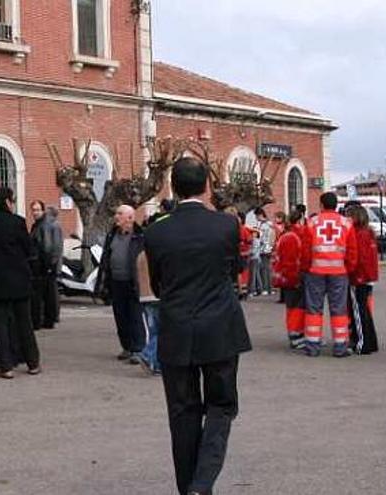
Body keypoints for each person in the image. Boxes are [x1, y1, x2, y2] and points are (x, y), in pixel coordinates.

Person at [144, 157, 251, 495]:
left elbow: (159, 284)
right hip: (220, 326)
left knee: (182, 413)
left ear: (172, 187)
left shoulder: (157, 230)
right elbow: (232, 271)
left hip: (177, 328)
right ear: (207, 187)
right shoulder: (226, 225)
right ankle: (202, 483)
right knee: (221, 406)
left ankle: (188, 486)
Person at [0, 187, 41, 379]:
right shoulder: (18, 222)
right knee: (24, 323)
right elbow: (29, 249)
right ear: (7, 202)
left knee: (0, 325)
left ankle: (6, 367)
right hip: (19, 279)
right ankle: (32, 363)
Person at [300, 192, 358, 358]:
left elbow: (305, 251)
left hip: (315, 272)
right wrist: (349, 268)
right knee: (339, 309)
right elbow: (353, 251)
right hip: (339, 272)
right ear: (337, 204)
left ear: (321, 205)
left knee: (313, 309)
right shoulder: (346, 223)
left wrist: (305, 268)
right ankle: (340, 346)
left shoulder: (312, 223)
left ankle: (312, 345)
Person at [97, 204, 146, 364]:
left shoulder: (140, 236)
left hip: (133, 283)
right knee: (120, 316)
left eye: (119, 214)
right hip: (116, 282)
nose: (116, 217)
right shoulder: (112, 235)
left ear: (130, 218)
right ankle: (126, 346)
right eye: (116, 213)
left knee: (135, 317)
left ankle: (138, 349)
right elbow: (106, 257)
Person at [346, 205, 380, 354]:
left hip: (358, 277)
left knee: (357, 311)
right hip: (368, 276)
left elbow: (357, 257)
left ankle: (361, 343)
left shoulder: (357, 234)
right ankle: (370, 341)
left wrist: (350, 272)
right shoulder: (369, 232)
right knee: (364, 310)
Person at [272, 210, 307, 349]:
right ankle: (295, 336)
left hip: (289, 277)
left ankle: (298, 334)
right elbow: (291, 262)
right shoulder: (293, 237)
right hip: (292, 278)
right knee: (295, 307)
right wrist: (295, 279)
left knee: (295, 307)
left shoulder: (287, 235)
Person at [30, 201, 63, 330]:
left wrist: (50, 264)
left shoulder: (46, 225)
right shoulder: (39, 225)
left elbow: (49, 247)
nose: (35, 213)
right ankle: (48, 319)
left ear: (43, 211)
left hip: (43, 264)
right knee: (47, 294)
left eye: (37, 210)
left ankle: (44, 319)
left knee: (43, 294)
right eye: (33, 210)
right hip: (43, 263)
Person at [255, 208, 276, 296]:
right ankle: (268, 288)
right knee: (265, 269)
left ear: (260, 215)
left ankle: (266, 288)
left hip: (265, 249)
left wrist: (268, 248)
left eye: (256, 216)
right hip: (264, 248)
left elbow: (268, 237)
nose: (256, 218)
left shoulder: (266, 225)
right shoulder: (265, 224)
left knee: (265, 269)